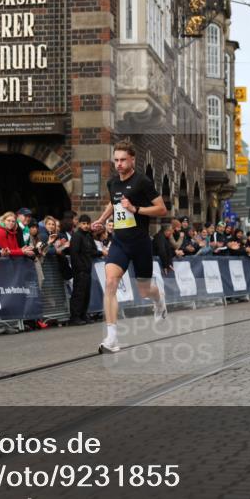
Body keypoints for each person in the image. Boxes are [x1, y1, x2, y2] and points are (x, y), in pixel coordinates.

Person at [91, 140, 168, 353]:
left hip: (140, 242)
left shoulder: (143, 181)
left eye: (123, 160)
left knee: (144, 291)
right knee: (110, 283)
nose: (119, 164)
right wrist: (101, 219)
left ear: (132, 159)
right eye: (116, 160)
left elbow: (161, 209)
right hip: (119, 242)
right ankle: (111, 337)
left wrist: (135, 208)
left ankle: (159, 299)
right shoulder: (112, 183)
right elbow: (113, 203)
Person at [68, 214, 100, 325]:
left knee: (86, 294)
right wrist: (79, 268)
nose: (86, 226)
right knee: (78, 294)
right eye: (83, 223)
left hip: (87, 269)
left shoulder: (89, 236)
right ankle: (75, 317)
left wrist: (101, 253)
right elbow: (74, 253)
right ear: (79, 224)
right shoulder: (77, 236)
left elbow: (93, 251)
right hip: (80, 270)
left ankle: (83, 314)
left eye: (87, 223)